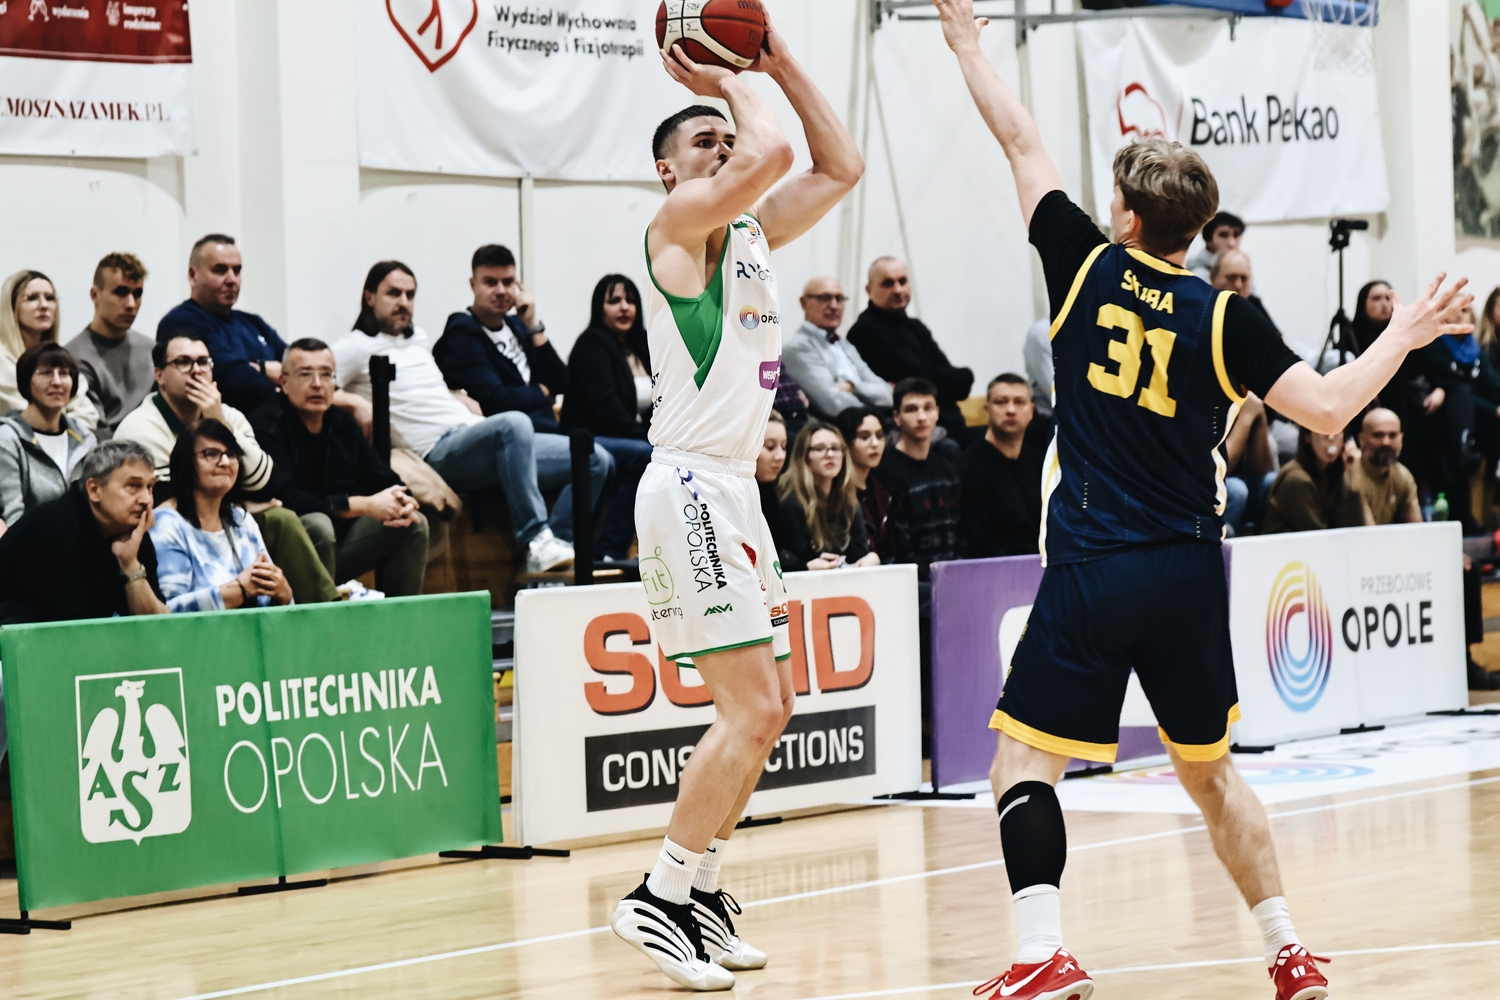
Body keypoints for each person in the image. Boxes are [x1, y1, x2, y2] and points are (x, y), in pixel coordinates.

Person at [935, 2, 1471, 997]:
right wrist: (1404, 335)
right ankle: (1287, 951)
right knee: (1212, 771)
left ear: (1127, 219)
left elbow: (1019, 138)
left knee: (1021, 766)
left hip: (1093, 564)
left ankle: (1040, 952)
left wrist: (967, 46)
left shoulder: (1081, 262)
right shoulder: (1228, 316)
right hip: (1188, 569)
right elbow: (1330, 408)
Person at [611, 23, 862, 991]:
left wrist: (781, 60)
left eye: (726, 137)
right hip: (688, 483)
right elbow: (774, 151)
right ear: (667, 170)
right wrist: (732, 78)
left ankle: (702, 889)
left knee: (775, 707)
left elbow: (839, 164)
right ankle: (659, 894)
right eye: (702, 142)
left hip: (733, 492)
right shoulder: (675, 229)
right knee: (749, 707)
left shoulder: (749, 233)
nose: (723, 147)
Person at [334, 261, 605, 575]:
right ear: (369, 297)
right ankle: (536, 538)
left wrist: (453, 394)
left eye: (410, 294)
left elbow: (422, 389)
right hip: (436, 454)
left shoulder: (417, 338)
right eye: (394, 293)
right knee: (514, 422)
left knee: (592, 457)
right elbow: (309, 385)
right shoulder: (354, 346)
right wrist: (354, 400)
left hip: (473, 437)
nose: (404, 302)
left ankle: (554, 554)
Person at [115, 334, 338, 604]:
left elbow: (266, 484)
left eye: (203, 362)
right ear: (159, 375)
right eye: (183, 362)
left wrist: (217, 419)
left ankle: (327, 611)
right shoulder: (140, 426)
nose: (196, 370)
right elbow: (162, 499)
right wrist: (242, 501)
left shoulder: (228, 415)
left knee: (281, 519)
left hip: (222, 512)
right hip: (168, 523)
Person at [253, 338, 430, 597]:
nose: (317, 384)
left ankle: (402, 620)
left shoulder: (341, 423)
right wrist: (363, 505)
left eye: (326, 374)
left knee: (414, 524)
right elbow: (288, 499)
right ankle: (321, 617)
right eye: (305, 374)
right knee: (318, 524)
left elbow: (381, 476)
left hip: (339, 547)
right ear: (283, 382)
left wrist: (402, 500)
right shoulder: (266, 426)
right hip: (288, 556)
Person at [0, 439, 167, 624]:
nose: (146, 499)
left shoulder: (131, 532)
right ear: (94, 490)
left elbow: (159, 626)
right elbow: (68, 628)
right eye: (133, 486)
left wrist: (129, 564)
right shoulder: (54, 528)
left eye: (149, 487)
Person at [149, 419, 293, 612]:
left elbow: (267, 601)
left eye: (231, 454)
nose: (225, 462)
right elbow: (166, 612)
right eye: (211, 454)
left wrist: (283, 594)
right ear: (186, 462)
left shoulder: (241, 519)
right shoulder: (166, 523)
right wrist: (239, 590)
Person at [559, 274, 655, 561]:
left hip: (628, 437)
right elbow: (607, 408)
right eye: (614, 301)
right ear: (599, 308)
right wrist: (652, 440)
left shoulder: (643, 346)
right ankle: (610, 551)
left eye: (630, 301)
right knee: (645, 455)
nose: (624, 307)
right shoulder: (591, 344)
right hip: (589, 438)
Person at [156, 235, 289, 416]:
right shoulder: (180, 322)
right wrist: (267, 370)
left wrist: (257, 368)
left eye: (237, 270)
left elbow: (297, 365)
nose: (231, 279)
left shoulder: (253, 322)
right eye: (220, 270)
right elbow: (236, 381)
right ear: (193, 275)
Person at [847, 257, 975, 443]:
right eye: (888, 283)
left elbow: (956, 382)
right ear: (869, 290)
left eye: (902, 281)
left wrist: (961, 376)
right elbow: (919, 382)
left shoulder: (915, 327)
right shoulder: (865, 331)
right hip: (913, 433)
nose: (898, 289)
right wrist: (954, 378)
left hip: (946, 425)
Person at [1415, 308, 1500, 533]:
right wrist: (1493, 409)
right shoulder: (1433, 345)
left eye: (1464, 310)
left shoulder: (1476, 351)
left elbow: (1491, 385)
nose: (1459, 315)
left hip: (1473, 420)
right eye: (1453, 310)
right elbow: (1452, 385)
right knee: (1454, 450)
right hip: (1437, 418)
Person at [0, 343, 97, 529]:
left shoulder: (84, 439)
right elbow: (14, 516)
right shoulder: (8, 439)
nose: (57, 382)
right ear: (26, 380)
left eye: (64, 373)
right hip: (29, 540)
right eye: (45, 373)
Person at [64, 252, 157, 439]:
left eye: (137, 294)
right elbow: (93, 432)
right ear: (94, 295)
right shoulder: (73, 358)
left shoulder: (151, 349)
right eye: (120, 292)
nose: (131, 304)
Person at [875, 378, 962, 574]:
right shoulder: (884, 472)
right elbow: (897, 547)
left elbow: (961, 534)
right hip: (909, 579)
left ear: (937, 413)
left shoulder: (949, 470)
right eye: (911, 409)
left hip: (953, 574)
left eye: (927, 408)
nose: (921, 417)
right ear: (897, 417)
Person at [0, 269, 99, 430]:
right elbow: (30, 416)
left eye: (50, 298)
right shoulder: (2, 361)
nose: (44, 305)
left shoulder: (61, 358)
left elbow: (88, 416)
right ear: (11, 306)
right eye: (32, 298)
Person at [782, 276, 892, 419]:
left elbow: (888, 394)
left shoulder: (844, 344)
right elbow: (834, 405)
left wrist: (852, 386)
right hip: (838, 427)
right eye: (824, 298)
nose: (834, 306)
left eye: (839, 299)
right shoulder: (797, 348)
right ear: (804, 303)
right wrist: (875, 416)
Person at [958, 374, 1043, 558]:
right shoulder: (968, 467)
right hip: (994, 568)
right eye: (1001, 402)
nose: (1010, 410)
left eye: (1019, 402)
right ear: (987, 409)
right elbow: (976, 541)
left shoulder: (1041, 462)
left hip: (1043, 563)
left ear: (1031, 411)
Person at [777, 421, 879, 571]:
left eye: (835, 448)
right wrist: (807, 567)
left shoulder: (849, 500)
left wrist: (871, 558)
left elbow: (858, 552)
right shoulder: (791, 503)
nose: (830, 455)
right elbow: (789, 559)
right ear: (803, 455)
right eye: (819, 448)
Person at [1262, 427, 1372, 533]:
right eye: (1324, 431)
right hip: (1286, 545)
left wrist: (1354, 481)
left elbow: (1353, 529)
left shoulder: (1338, 473)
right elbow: (1318, 536)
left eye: (1337, 431)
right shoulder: (1297, 479)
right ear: (1307, 436)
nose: (1331, 438)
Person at [834, 405, 892, 558]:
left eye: (879, 436)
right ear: (845, 442)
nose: (875, 444)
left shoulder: (882, 490)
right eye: (864, 437)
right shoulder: (835, 493)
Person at [1222, 393, 1280, 535]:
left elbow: (1260, 469)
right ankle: (1223, 545)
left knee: (1273, 482)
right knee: (1237, 490)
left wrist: (1259, 413)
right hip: (1205, 484)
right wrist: (1246, 418)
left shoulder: (1247, 400)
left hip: (1239, 483)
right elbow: (1218, 469)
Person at [1356, 407, 1421, 525]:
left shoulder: (1402, 476)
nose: (1386, 442)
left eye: (1392, 435)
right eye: (1378, 435)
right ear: (1362, 439)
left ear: (1401, 439)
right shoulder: (1352, 475)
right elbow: (1367, 533)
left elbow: (1416, 529)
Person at [1210, 249, 1279, 333]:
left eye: (1243, 279)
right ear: (1213, 278)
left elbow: (1279, 339)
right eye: (1231, 277)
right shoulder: (1203, 310)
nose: (1238, 285)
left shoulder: (1254, 306)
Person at [755, 410, 792, 555]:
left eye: (784, 446)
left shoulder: (770, 489)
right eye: (770, 447)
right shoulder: (736, 494)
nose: (780, 456)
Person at [1186, 209, 1245, 281]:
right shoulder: (1197, 275)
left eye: (1236, 235)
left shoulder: (1240, 269)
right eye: (1223, 235)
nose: (1231, 243)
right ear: (1208, 240)